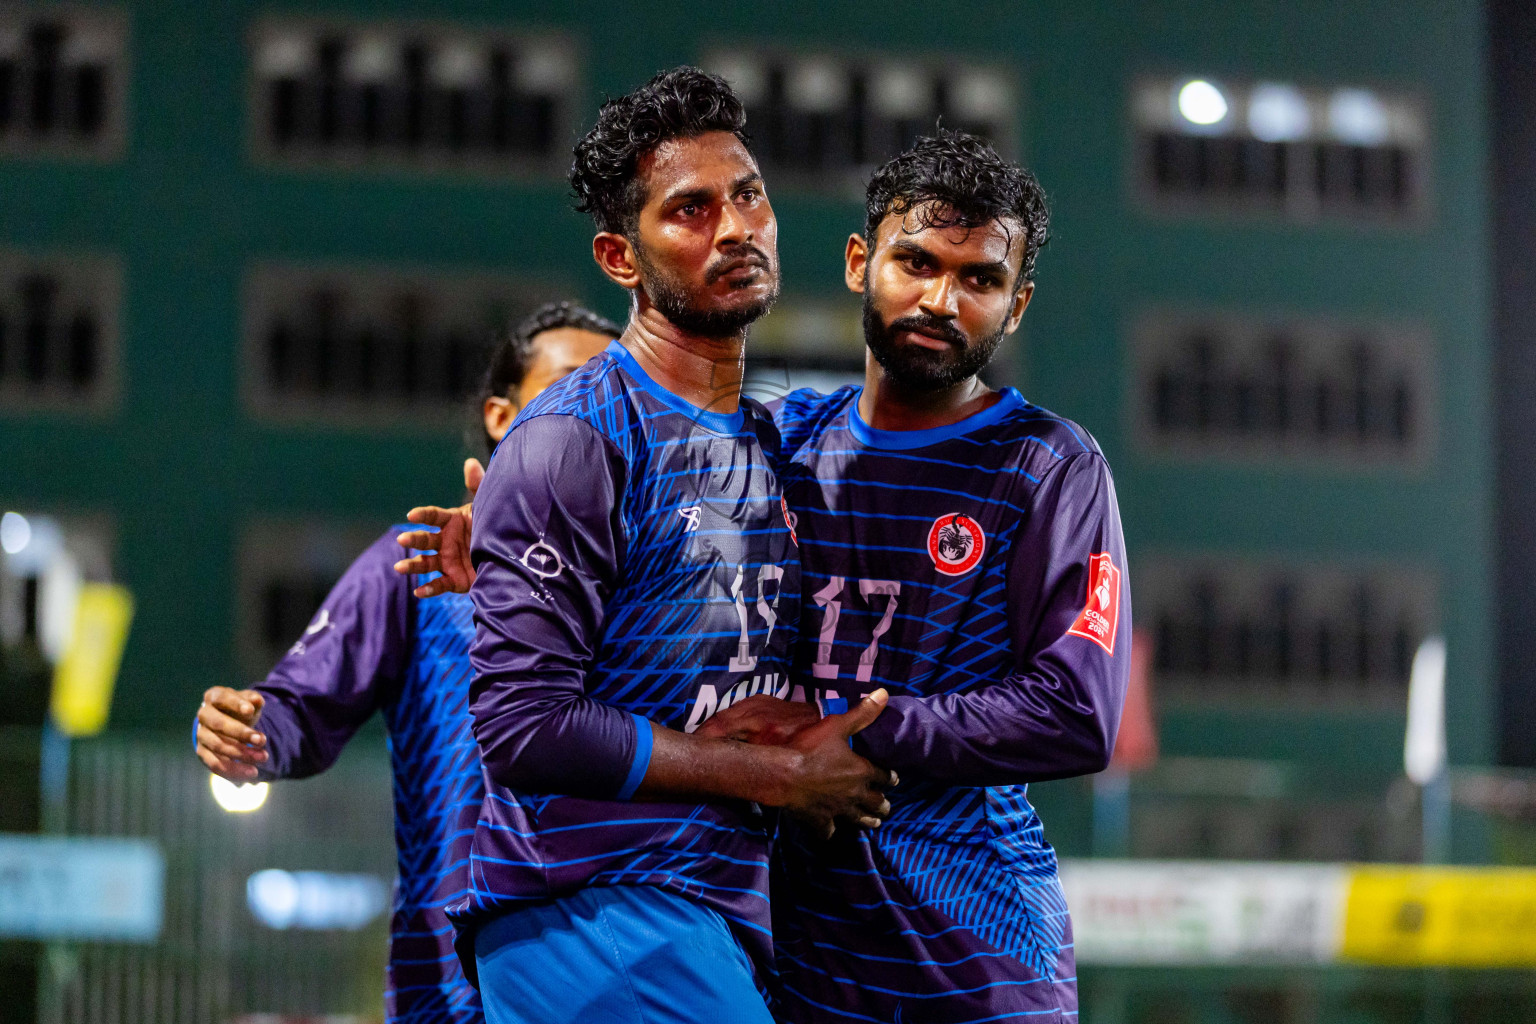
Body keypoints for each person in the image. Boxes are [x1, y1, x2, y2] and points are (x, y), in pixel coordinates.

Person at [438, 66, 895, 1024]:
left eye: (748, 194)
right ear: (618, 257)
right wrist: (777, 775)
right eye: (690, 210)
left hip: (701, 909)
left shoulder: (767, 442)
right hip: (592, 912)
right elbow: (522, 725)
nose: (734, 227)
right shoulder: (576, 437)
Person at [707, 130, 1130, 1023]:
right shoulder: (774, 442)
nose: (941, 299)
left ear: (1014, 308)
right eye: (917, 262)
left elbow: (1078, 712)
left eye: (979, 279)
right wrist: (508, 522)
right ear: (863, 261)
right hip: (800, 959)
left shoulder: (1050, 466)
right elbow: (629, 519)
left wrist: (860, 737)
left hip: (976, 961)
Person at [191, 301, 618, 1024]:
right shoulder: (415, 569)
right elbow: (298, 708)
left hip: (611, 975)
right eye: (569, 384)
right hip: (450, 992)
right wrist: (247, 731)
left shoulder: (654, 586)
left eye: (612, 393)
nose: (591, 410)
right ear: (499, 416)